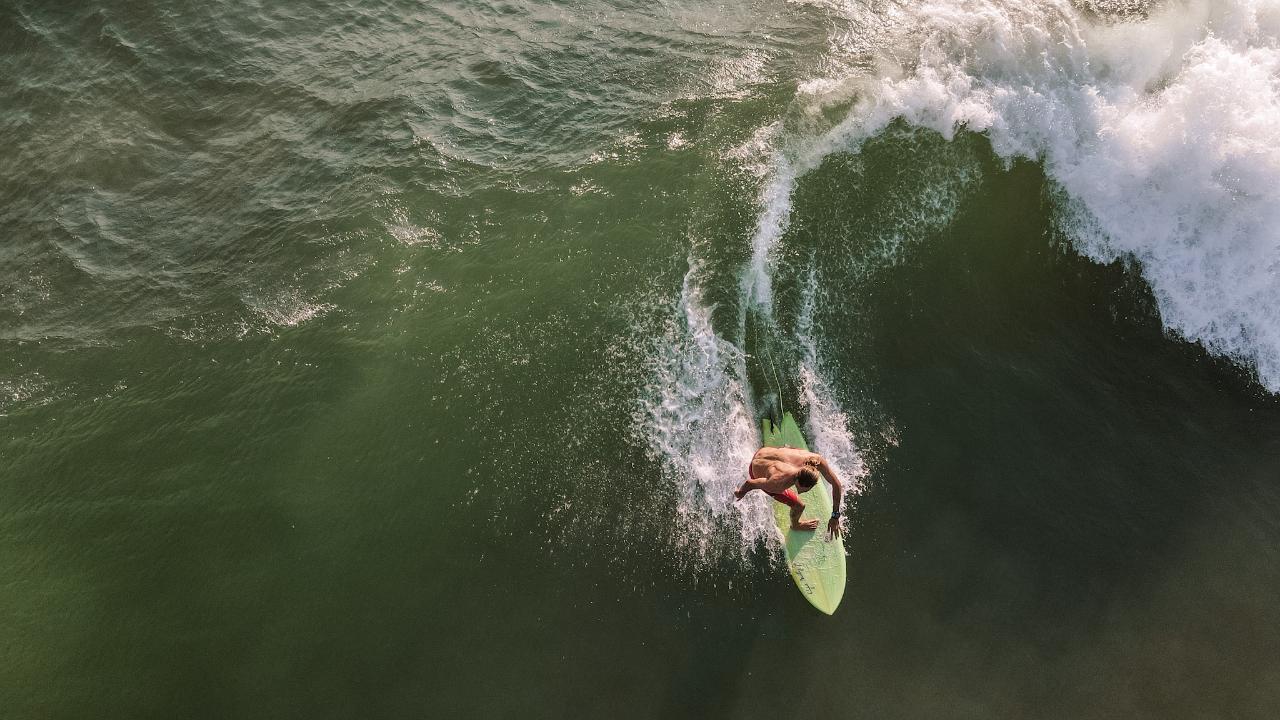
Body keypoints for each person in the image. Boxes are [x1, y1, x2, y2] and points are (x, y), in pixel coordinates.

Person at [735, 445, 844, 540]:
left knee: (794, 450)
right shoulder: (777, 483)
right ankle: (796, 525)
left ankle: (786, 447)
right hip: (755, 468)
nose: (802, 493)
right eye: (803, 489)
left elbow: (836, 484)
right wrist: (741, 492)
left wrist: (835, 516)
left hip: (764, 451)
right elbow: (751, 483)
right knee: (799, 506)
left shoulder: (816, 460)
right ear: (797, 481)